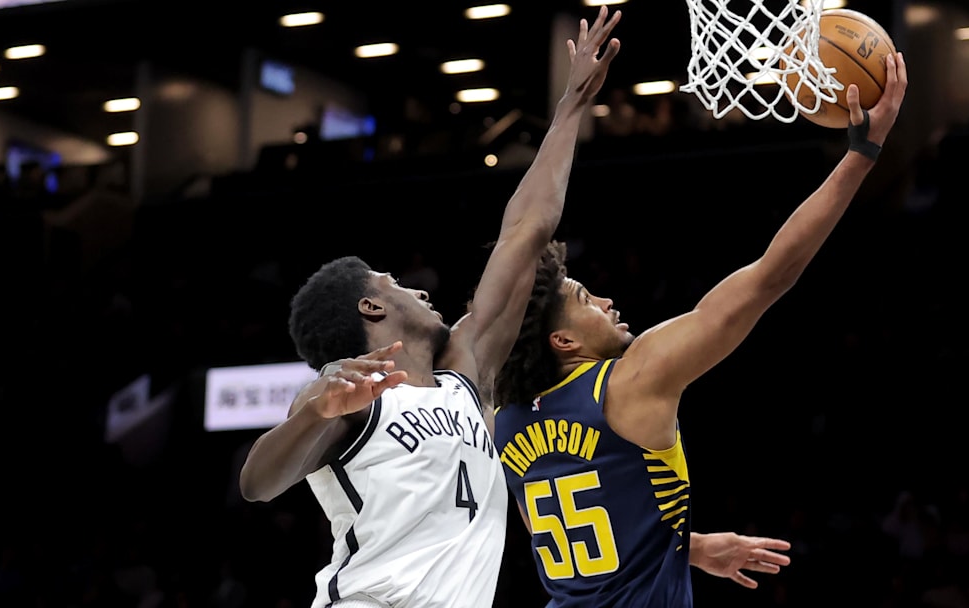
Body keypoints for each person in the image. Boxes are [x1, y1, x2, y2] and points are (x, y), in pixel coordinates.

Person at [237, 7, 623, 608]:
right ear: (370, 306)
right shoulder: (345, 392)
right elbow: (257, 485)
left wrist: (570, 106)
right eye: (393, 282)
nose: (417, 290)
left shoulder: (467, 373)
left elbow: (525, 232)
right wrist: (313, 414)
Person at [493, 53, 909, 607]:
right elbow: (770, 277)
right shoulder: (631, 380)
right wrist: (862, 154)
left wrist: (689, 547)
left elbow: (573, 533)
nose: (607, 302)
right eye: (587, 300)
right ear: (562, 342)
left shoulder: (503, 422)